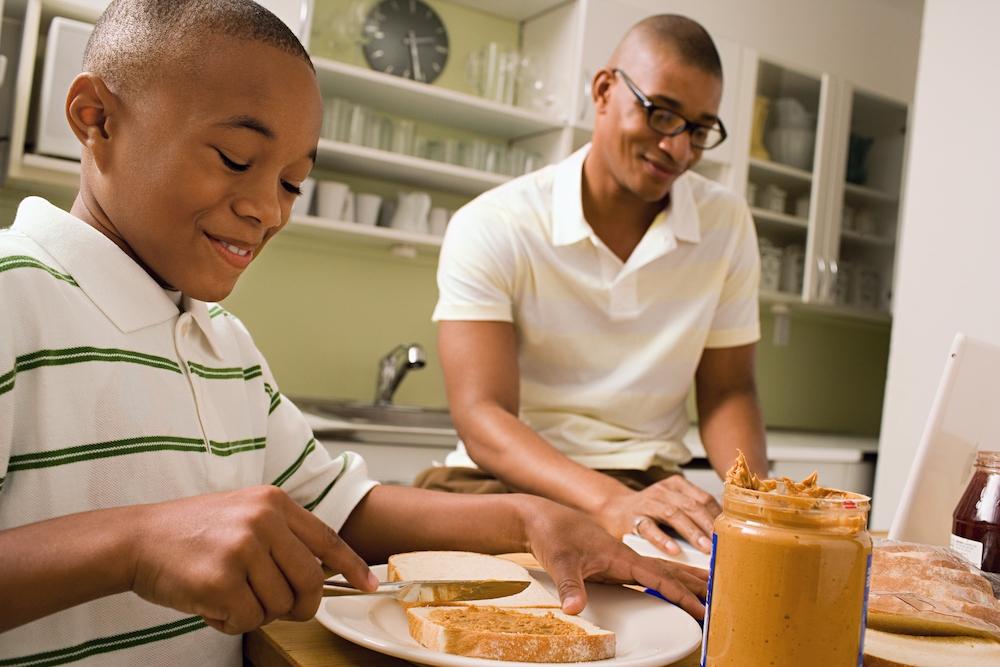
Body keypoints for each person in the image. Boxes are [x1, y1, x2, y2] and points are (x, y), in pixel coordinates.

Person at [0, 2, 708, 664]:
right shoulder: (13, 295)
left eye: (290, 184)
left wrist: (530, 518)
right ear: (96, 118)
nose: (265, 210)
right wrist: (134, 545)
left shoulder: (227, 346)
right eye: (238, 160)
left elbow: (344, 509)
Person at [417, 14, 768, 557]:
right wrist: (606, 501)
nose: (677, 149)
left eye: (698, 130)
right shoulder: (494, 223)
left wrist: (757, 508)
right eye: (660, 114)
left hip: (644, 486)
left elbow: (728, 391)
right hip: (507, 485)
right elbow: (482, 416)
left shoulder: (725, 223)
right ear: (604, 91)